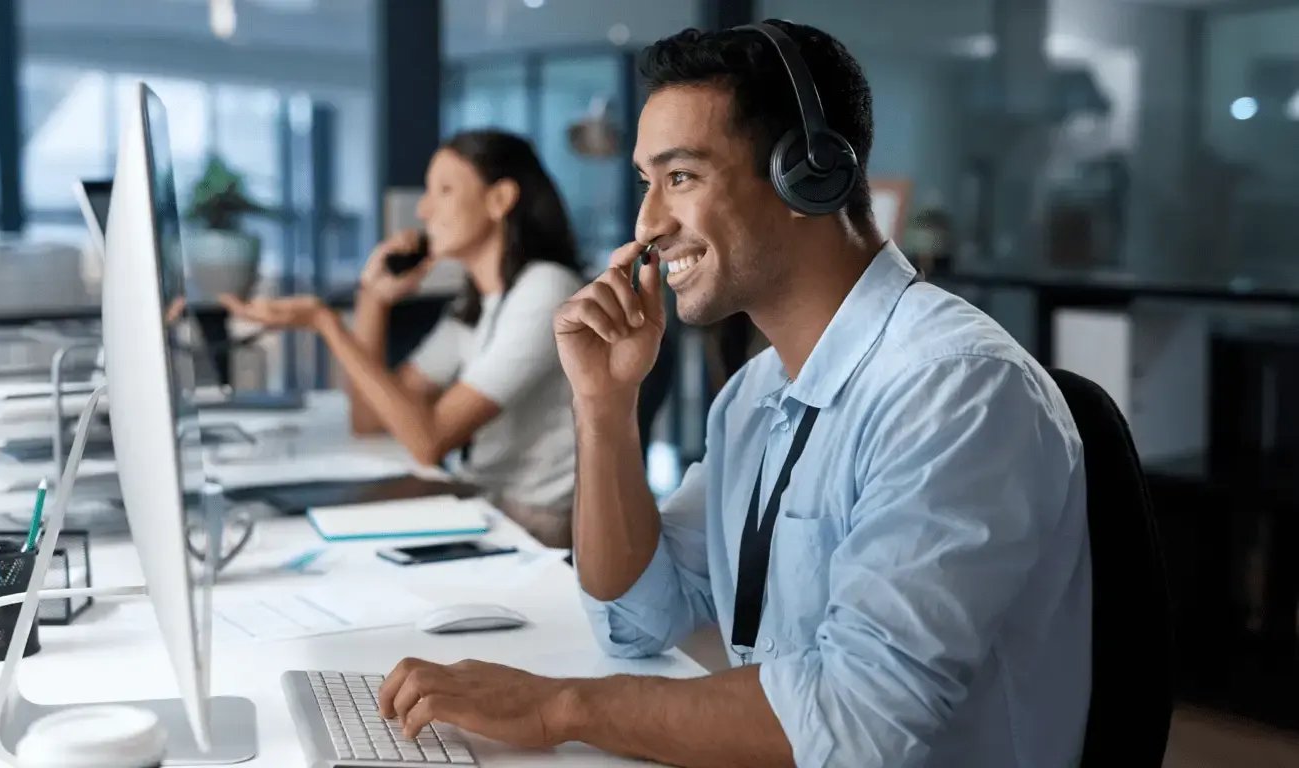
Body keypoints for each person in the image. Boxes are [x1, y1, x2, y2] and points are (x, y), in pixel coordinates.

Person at [373, 20, 1091, 768]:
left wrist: (559, 707)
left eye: (681, 178)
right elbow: (636, 616)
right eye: (646, 184)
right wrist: (603, 408)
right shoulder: (755, 395)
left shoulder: (953, 391)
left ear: (808, 176)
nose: (648, 224)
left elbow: (853, 724)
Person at [221, 130, 584, 548]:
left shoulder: (546, 291)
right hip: (483, 505)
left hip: (533, 526)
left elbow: (428, 440)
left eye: (444, 191)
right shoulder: (477, 301)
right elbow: (371, 421)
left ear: (499, 200)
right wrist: (373, 301)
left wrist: (328, 323)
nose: (425, 211)